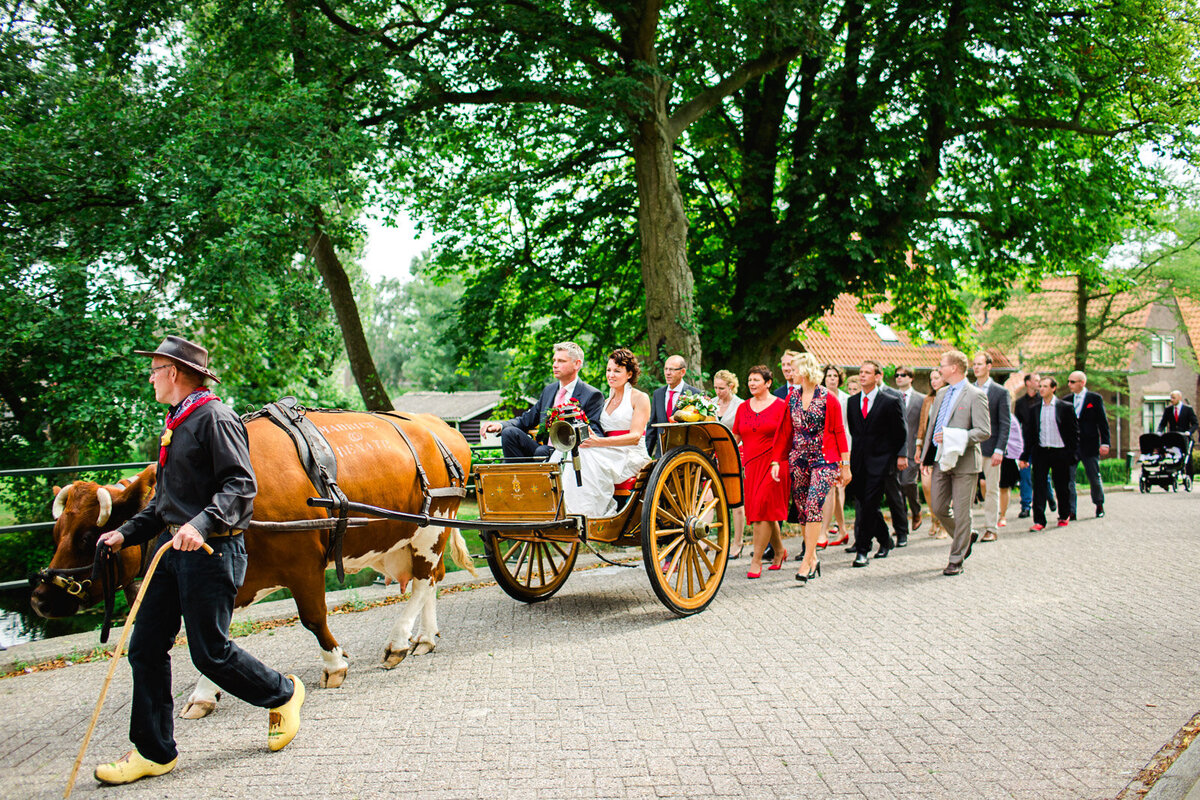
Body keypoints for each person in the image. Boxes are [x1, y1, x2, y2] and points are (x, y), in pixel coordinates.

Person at [94, 336, 304, 785]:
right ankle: (154, 752)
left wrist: (201, 524)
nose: (149, 377)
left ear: (173, 372)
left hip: (211, 552)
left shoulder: (215, 418)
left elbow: (240, 486)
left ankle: (283, 694)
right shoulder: (176, 421)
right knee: (146, 647)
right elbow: (166, 503)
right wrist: (125, 533)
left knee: (210, 654)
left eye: (153, 369)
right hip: (168, 554)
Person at [771, 353, 850, 582]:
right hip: (799, 460)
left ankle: (807, 559)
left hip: (825, 460)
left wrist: (845, 466)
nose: (790, 373)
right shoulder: (792, 397)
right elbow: (785, 432)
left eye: (793, 369)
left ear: (804, 370)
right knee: (804, 511)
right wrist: (777, 460)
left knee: (814, 504)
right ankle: (814, 557)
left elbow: (839, 431)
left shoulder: (828, 398)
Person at [919, 350, 990, 577]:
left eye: (942, 365)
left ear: (954, 368)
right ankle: (966, 536)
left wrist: (955, 437)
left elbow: (984, 431)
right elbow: (933, 427)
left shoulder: (975, 395)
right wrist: (926, 458)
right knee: (939, 508)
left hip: (965, 462)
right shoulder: (940, 394)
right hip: (941, 460)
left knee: (962, 512)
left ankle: (956, 558)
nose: (939, 369)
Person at [560, 349, 653, 519]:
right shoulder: (606, 401)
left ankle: (590, 514)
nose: (611, 375)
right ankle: (571, 511)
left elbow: (635, 437)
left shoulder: (639, 398)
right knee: (578, 452)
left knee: (586, 454)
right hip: (609, 451)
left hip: (632, 455)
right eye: (609, 370)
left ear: (629, 374)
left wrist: (598, 443)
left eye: (617, 371)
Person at [483, 342, 604, 458]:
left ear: (577, 364)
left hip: (571, 455)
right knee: (509, 433)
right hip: (543, 452)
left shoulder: (592, 395)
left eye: (561, 361)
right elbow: (526, 420)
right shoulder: (549, 391)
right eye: (554, 360)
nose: (555, 365)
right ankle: (517, 478)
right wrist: (500, 425)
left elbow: (595, 434)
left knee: (542, 451)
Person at [845, 360, 908, 568]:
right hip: (859, 462)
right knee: (866, 503)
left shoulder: (890, 401)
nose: (862, 376)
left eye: (867, 372)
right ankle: (885, 539)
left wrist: (896, 456)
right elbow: (855, 431)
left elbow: (900, 432)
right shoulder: (852, 402)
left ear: (877, 376)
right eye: (860, 372)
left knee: (870, 503)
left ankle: (863, 550)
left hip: (881, 462)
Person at [733, 366, 790, 578]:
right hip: (752, 466)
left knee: (761, 511)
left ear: (768, 383)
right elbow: (736, 437)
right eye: (749, 379)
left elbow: (787, 438)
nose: (752, 383)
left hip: (775, 464)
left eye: (756, 379)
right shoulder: (743, 407)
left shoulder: (781, 406)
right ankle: (780, 552)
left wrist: (778, 461)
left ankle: (756, 560)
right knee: (765, 512)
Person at [1019, 376, 1078, 531]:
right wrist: (1025, 456)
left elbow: (1073, 433)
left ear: (1053, 388)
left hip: (1060, 451)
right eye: (1041, 386)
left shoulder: (1065, 407)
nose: (1042, 389)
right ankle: (1039, 520)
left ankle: (1064, 515)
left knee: (1062, 486)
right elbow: (1030, 435)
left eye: (1045, 386)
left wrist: (1073, 454)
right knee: (1038, 486)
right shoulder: (1035, 409)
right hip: (1041, 452)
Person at [972, 352, 1012, 542]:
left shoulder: (1000, 392)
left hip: (992, 448)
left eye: (980, 364)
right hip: (971, 448)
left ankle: (991, 527)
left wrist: (999, 449)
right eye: (974, 364)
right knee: (969, 490)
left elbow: (1005, 423)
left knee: (991, 489)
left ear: (989, 366)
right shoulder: (968, 389)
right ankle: (967, 528)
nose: (976, 367)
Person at [1065, 371, 1110, 519]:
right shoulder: (1066, 400)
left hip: (1089, 445)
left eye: (1072, 382)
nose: (1069, 384)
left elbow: (1102, 422)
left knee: (1093, 477)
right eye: (1068, 381)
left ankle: (1099, 504)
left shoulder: (1094, 399)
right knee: (1069, 479)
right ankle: (1071, 510)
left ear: (1082, 383)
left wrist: (1105, 442)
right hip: (1072, 446)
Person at [713, 369, 747, 557]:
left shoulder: (740, 405)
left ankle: (738, 542)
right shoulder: (710, 403)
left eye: (722, 388)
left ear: (731, 386)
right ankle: (711, 539)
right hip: (715, 454)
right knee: (711, 497)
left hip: (735, 451)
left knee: (735, 499)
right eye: (716, 387)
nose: (718, 392)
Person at [818, 365, 851, 549]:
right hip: (827, 448)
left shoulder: (846, 399)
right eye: (829, 375)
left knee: (840, 489)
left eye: (835, 376)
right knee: (832, 489)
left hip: (844, 447)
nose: (832, 379)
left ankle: (841, 528)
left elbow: (846, 427)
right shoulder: (819, 396)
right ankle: (836, 528)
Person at [915, 366, 948, 539]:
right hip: (929, 447)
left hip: (945, 447)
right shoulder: (928, 400)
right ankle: (934, 517)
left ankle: (943, 523)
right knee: (926, 485)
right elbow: (922, 425)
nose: (934, 381)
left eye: (937, 378)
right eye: (932, 379)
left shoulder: (950, 398)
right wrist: (919, 446)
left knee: (941, 487)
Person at [646, 355, 700, 457]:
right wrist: (646, 456)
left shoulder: (694, 395)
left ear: (682, 372)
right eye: (666, 369)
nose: (667, 373)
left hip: (685, 457)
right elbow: (652, 428)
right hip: (661, 457)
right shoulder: (658, 394)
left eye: (672, 370)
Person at [997, 413, 1025, 526]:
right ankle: (996, 507)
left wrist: (1020, 457)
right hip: (987, 453)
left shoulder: (1010, 418)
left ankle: (1002, 515)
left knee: (1004, 487)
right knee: (983, 483)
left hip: (1007, 455)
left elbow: (1017, 439)